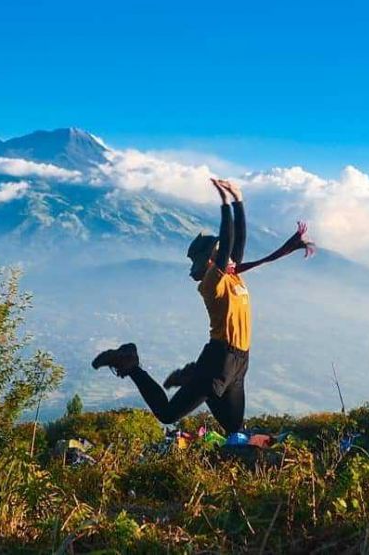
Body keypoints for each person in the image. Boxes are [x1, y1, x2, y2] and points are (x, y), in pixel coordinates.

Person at [91, 178, 314, 434]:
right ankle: (131, 365)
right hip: (219, 359)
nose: (227, 254)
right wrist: (224, 203)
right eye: (219, 252)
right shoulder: (213, 282)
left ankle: (192, 378)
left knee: (234, 429)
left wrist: (238, 200)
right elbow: (229, 241)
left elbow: (238, 241)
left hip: (239, 361)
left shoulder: (232, 275)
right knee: (167, 414)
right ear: (212, 258)